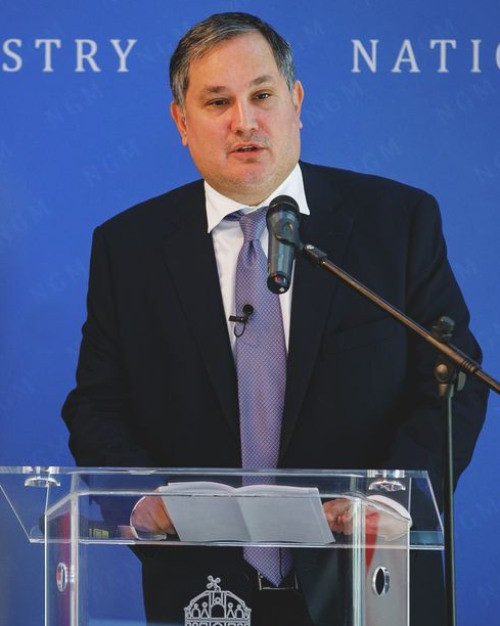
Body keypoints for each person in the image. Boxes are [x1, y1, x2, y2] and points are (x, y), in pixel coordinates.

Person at [62, 11, 488, 626]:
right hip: (204, 589)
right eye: (217, 102)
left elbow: (451, 382)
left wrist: (387, 504)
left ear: (296, 101)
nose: (245, 121)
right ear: (182, 121)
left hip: (371, 579)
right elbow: (97, 406)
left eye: (262, 95)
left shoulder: (396, 222)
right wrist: (143, 500)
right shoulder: (128, 249)